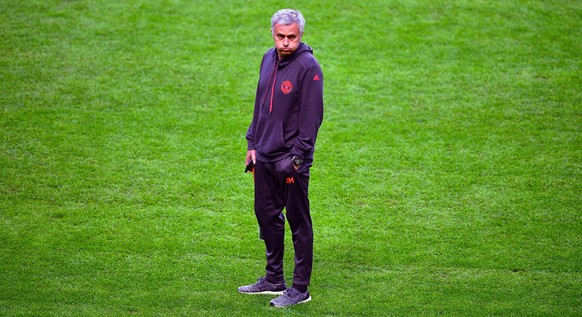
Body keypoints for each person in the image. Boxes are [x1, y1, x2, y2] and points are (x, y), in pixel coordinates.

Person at [238, 8, 324, 308]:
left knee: (298, 222)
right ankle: (274, 278)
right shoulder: (267, 59)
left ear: (300, 36)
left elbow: (313, 118)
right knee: (265, 213)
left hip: (290, 160)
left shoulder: (308, 67)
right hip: (264, 154)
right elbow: (260, 104)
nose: (285, 42)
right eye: (280, 36)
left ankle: (300, 288)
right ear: (273, 34)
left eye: (291, 37)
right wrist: (252, 142)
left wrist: (297, 159)